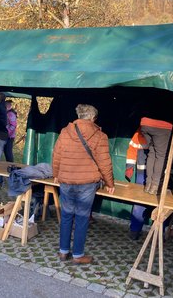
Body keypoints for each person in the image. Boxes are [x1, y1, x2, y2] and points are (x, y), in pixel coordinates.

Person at [52, 104, 115, 264]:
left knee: (66, 216)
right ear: (93, 118)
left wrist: (56, 174)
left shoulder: (65, 132)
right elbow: (104, 162)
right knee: (81, 217)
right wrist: (109, 182)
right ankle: (78, 255)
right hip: (87, 183)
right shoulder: (100, 136)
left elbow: (56, 155)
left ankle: (63, 252)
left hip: (66, 180)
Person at [125, 127, 150, 240]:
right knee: (139, 202)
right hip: (144, 172)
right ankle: (135, 230)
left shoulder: (142, 129)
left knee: (162, 204)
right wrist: (129, 168)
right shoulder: (140, 131)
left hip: (159, 174)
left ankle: (160, 233)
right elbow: (132, 148)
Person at [140, 117, 173, 195]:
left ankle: (148, 185)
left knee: (152, 152)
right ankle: (155, 186)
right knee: (161, 155)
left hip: (145, 123)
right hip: (162, 125)